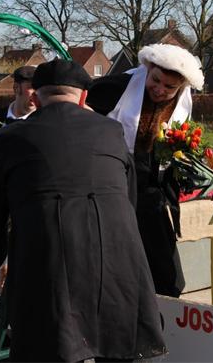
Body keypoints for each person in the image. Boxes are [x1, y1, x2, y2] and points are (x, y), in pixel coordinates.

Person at [0, 59, 167, 362]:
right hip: (120, 268)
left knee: (51, 347)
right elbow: (128, 199)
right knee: (120, 344)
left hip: (49, 267)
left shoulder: (12, 138)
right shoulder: (112, 132)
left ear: (36, 99)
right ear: (84, 97)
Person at [86, 43, 204, 298]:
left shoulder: (184, 100)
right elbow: (82, 103)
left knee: (163, 259)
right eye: (155, 80)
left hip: (152, 184)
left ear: (181, 87)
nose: (159, 90)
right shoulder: (119, 86)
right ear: (148, 69)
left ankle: (165, 298)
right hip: (114, 177)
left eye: (169, 87)